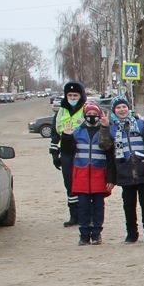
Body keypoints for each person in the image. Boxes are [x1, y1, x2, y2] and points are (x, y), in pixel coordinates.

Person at [99, 96, 144, 243]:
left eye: (124, 107)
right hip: (124, 171)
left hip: (142, 168)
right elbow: (105, 146)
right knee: (129, 205)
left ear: (128, 108)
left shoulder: (140, 123)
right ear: (114, 110)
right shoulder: (111, 127)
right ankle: (132, 233)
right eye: (118, 108)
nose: (122, 110)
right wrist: (105, 128)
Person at [71, 101, 112, 244]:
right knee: (82, 207)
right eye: (89, 114)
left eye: (95, 114)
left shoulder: (104, 130)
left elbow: (108, 149)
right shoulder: (77, 131)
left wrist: (106, 128)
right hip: (81, 174)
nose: (92, 116)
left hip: (99, 173)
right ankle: (83, 235)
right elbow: (67, 151)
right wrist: (65, 136)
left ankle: (96, 234)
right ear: (85, 115)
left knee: (98, 207)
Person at [50, 81, 86, 226]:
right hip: (65, 152)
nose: (72, 97)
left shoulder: (85, 109)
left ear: (81, 95)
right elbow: (54, 133)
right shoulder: (61, 111)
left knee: (82, 183)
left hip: (82, 151)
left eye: (75, 95)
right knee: (69, 184)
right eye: (70, 95)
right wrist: (54, 154)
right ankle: (74, 215)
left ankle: (84, 214)